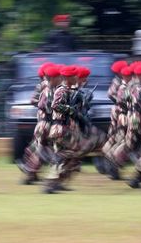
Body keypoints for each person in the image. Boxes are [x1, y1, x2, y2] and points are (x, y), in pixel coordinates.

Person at [19, 64, 60, 184]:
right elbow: (38, 102)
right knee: (42, 150)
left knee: (39, 148)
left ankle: (30, 174)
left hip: (45, 123)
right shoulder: (46, 88)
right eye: (58, 76)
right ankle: (29, 170)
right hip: (45, 123)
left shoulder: (51, 88)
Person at [43, 65, 80, 193]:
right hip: (60, 128)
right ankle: (49, 184)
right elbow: (55, 105)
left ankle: (56, 182)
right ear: (68, 78)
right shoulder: (62, 90)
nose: (77, 78)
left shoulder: (68, 91)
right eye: (74, 76)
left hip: (65, 127)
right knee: (61, 156)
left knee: (69, 157)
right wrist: (70, 109)